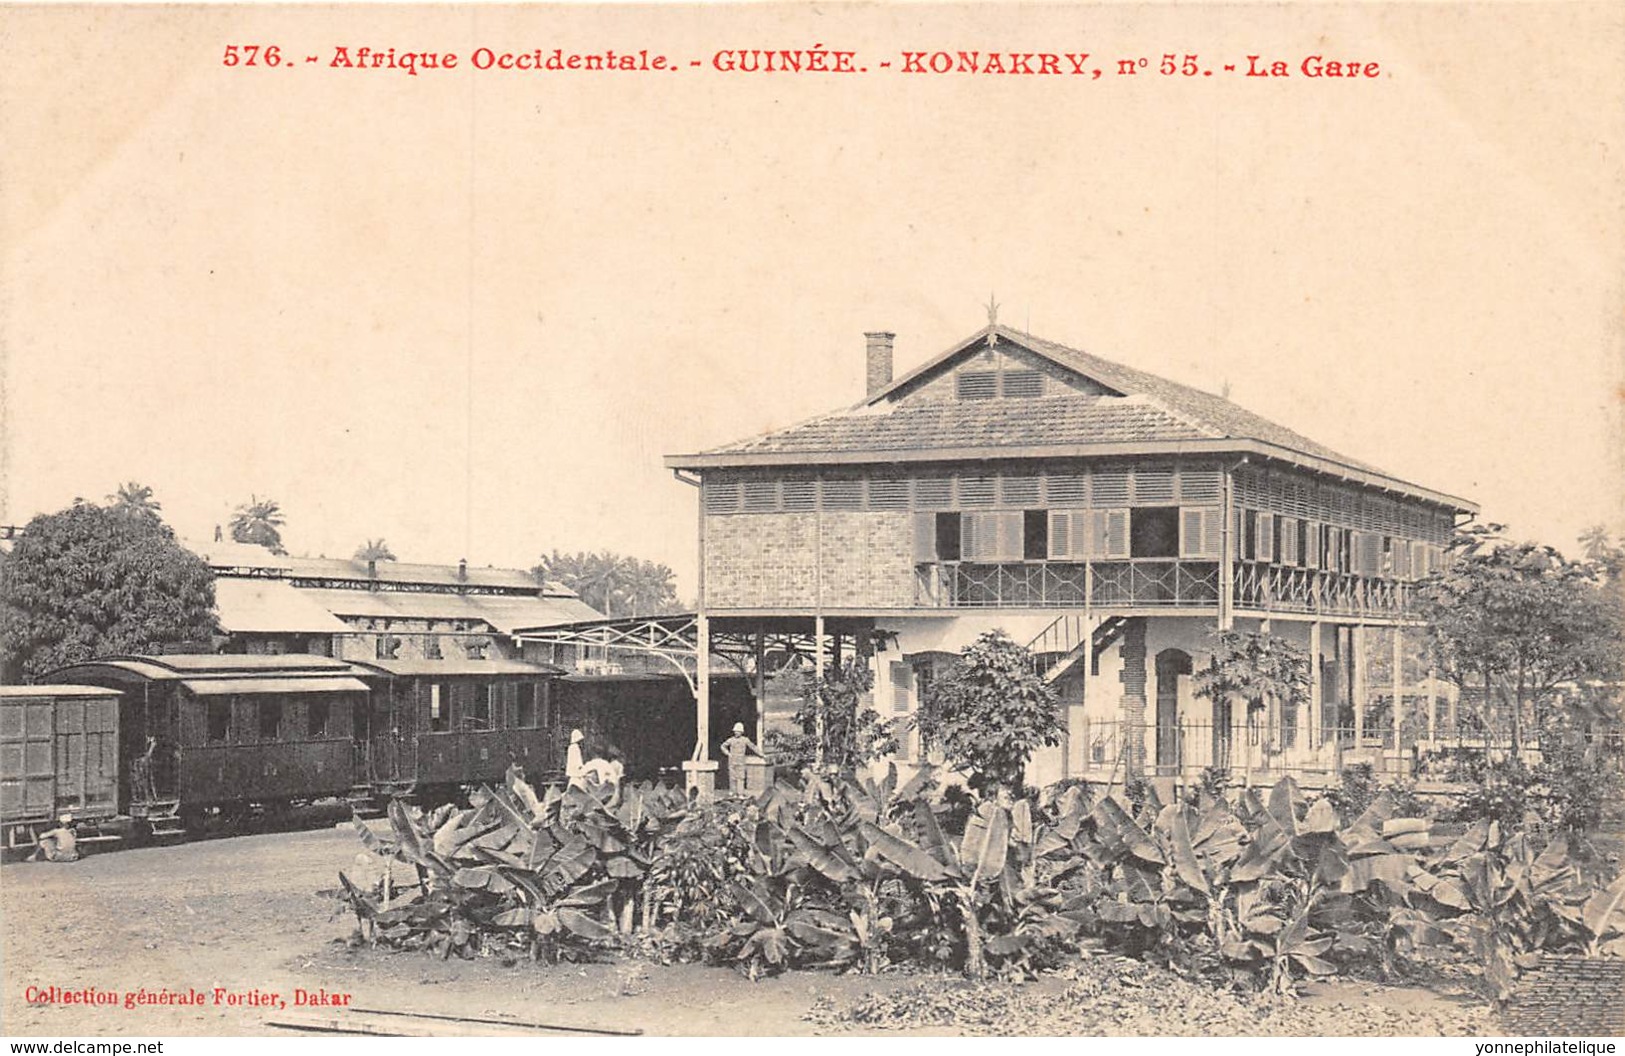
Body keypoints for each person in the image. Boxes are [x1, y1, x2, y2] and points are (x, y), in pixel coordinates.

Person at [719, 722, 761, 795]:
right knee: (732, 778)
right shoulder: (731, 740)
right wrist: (728, 753)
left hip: (741, 761)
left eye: (738, 731)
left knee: (741, 778)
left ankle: (740, 793)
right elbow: (723, 746)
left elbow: (753, 747)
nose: (736, 733)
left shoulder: (745, 740)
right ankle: (733, 792)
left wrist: (761, 754)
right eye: (735, 731)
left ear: (742, 732)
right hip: (732, 761)